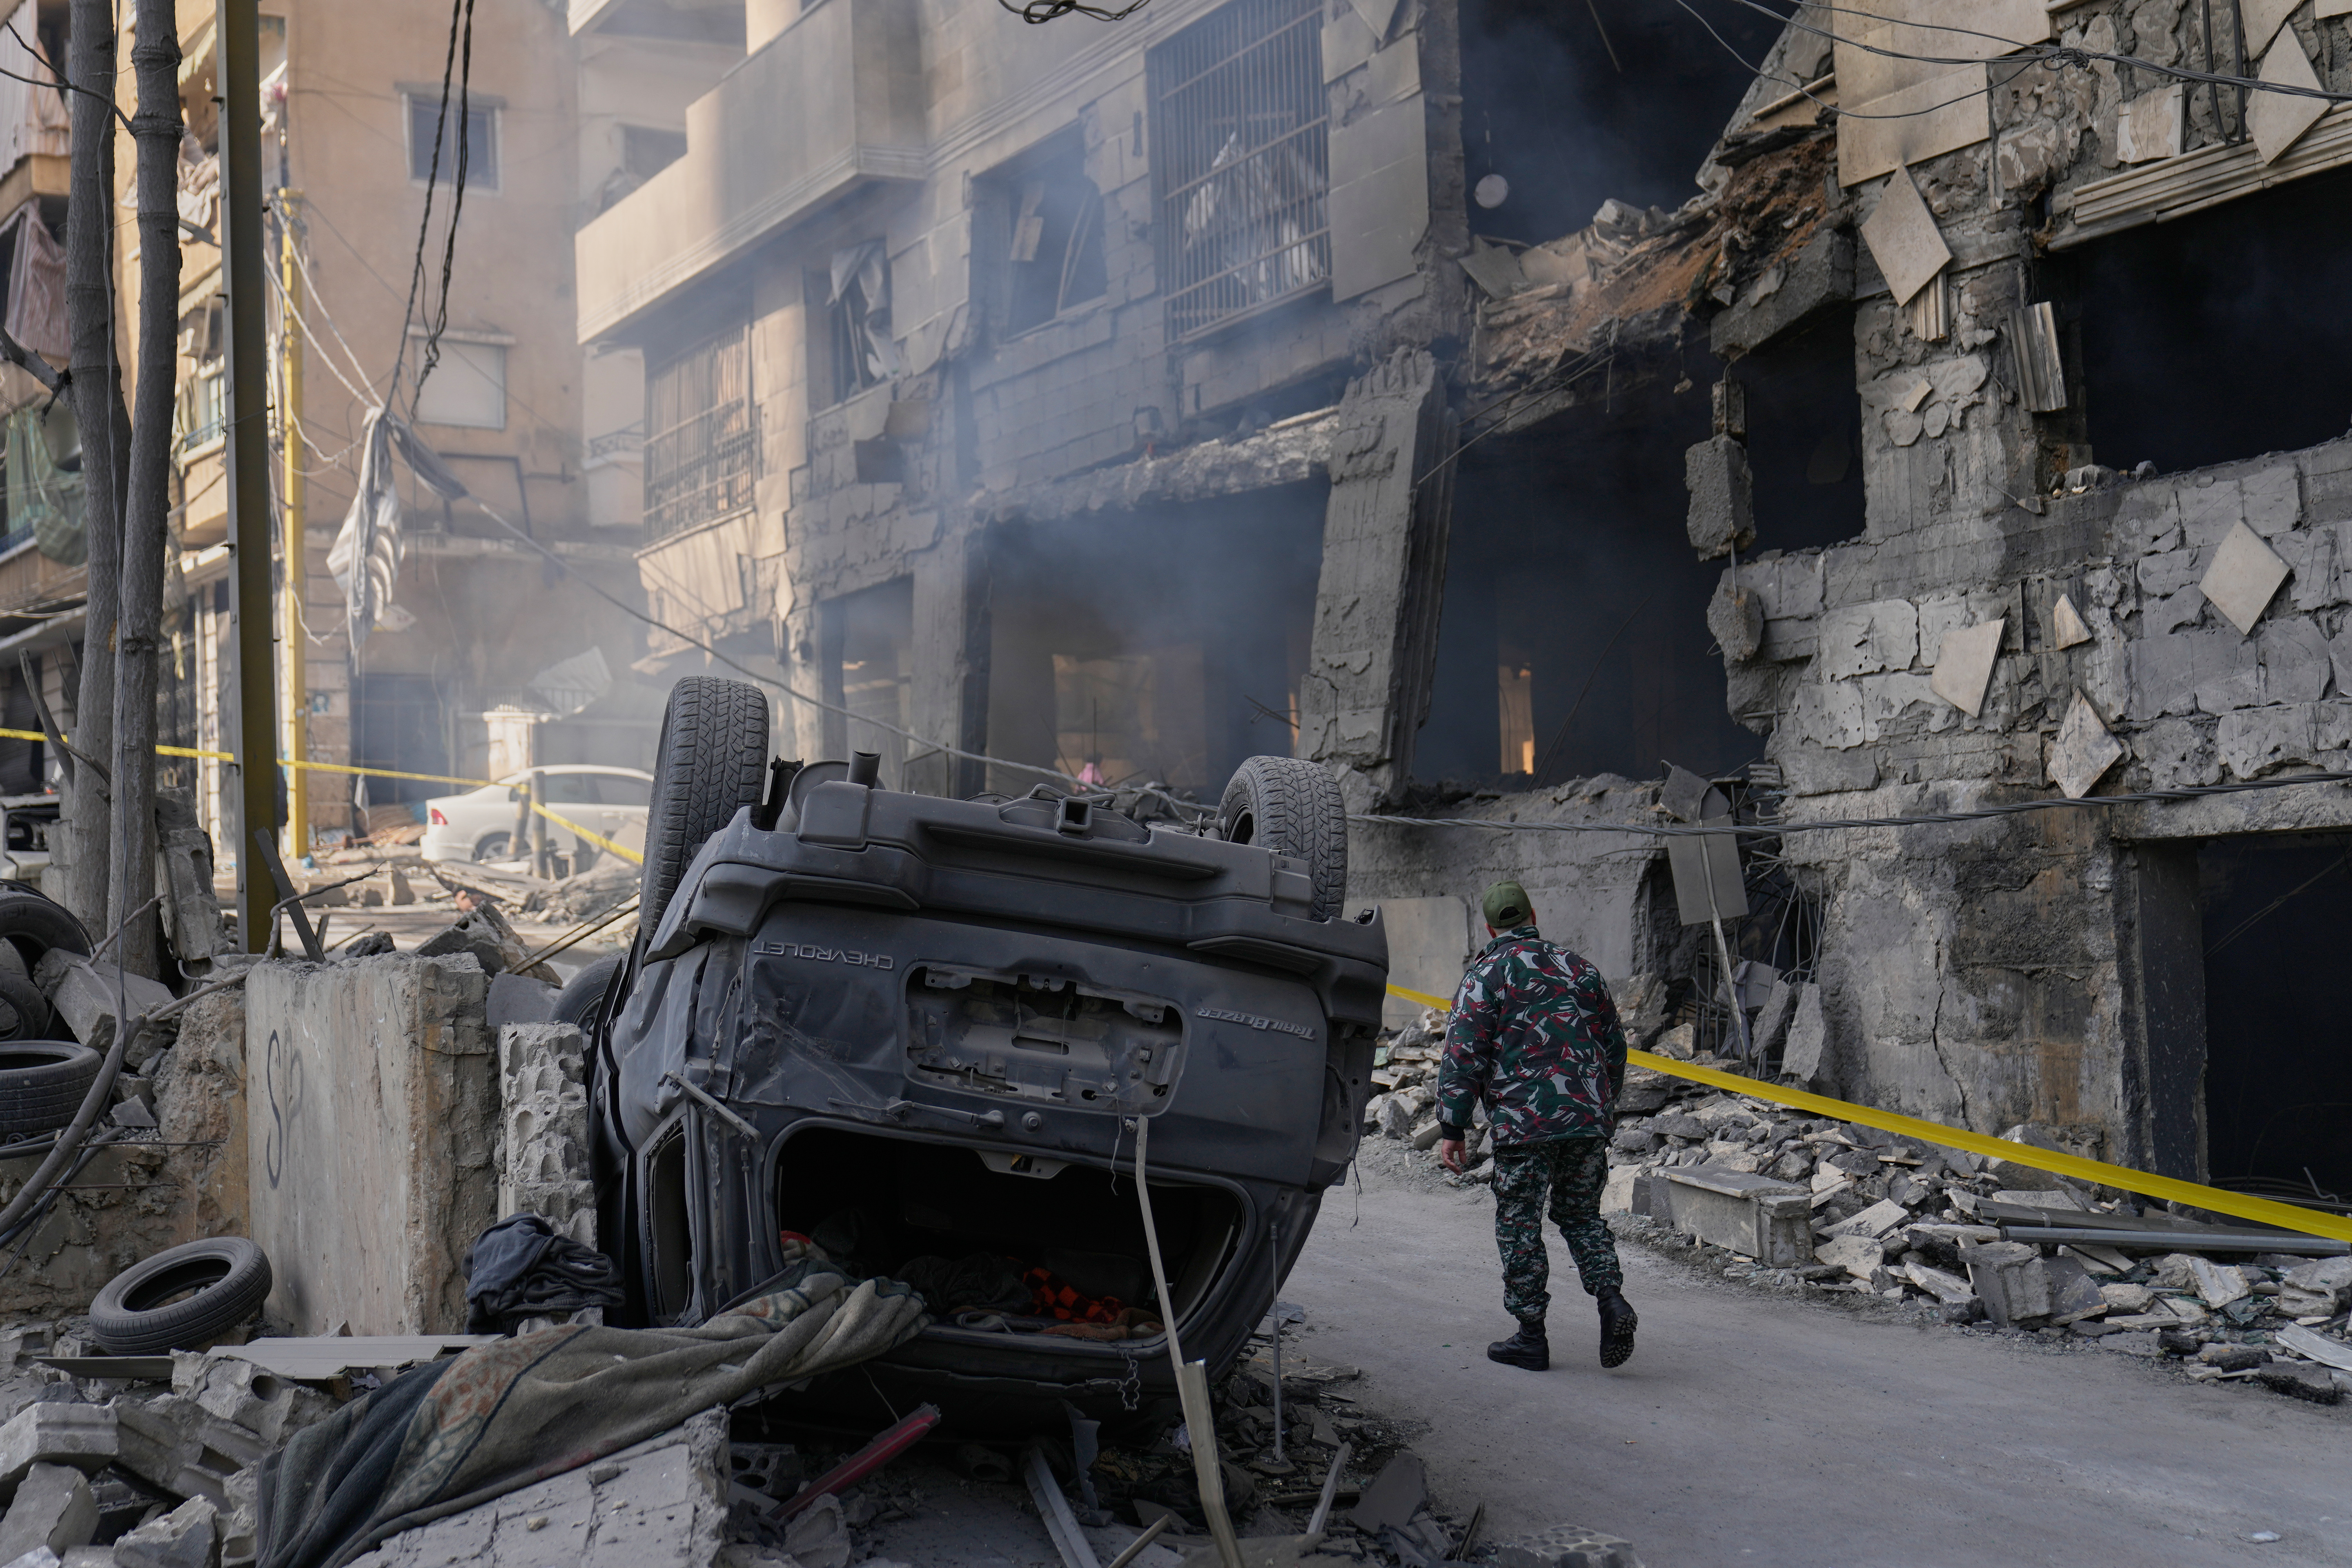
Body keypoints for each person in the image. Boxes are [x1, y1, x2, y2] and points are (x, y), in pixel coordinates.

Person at [1436, 880, 1637, 1371]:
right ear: (1533, 914)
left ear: (1490, 928)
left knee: (1519, 1222)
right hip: (1585, 1119)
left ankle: (1531, 1337)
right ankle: (1612, 1300)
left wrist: (1453, 1126)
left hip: (1524, 1125)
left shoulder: (1486, 975)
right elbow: (1615, 1045)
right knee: (1581, 1215)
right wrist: (1601, 1106)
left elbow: (1463, 1054)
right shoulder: (1580, 969)